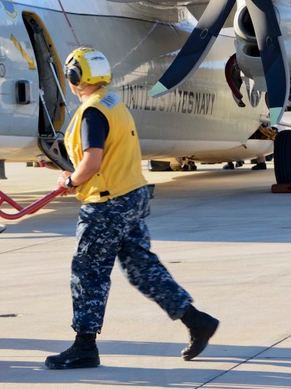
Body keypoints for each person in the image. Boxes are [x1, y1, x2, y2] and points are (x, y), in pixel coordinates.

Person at [46, 47, 219, 370]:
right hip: (131, 196)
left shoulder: (92, 112)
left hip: (107, 202)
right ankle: (196, 321)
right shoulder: (113, 103)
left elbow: (92, 161)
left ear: (75, 77)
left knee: (89, 273)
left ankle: (84, 346)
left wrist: (70, 181)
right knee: (142, 268)